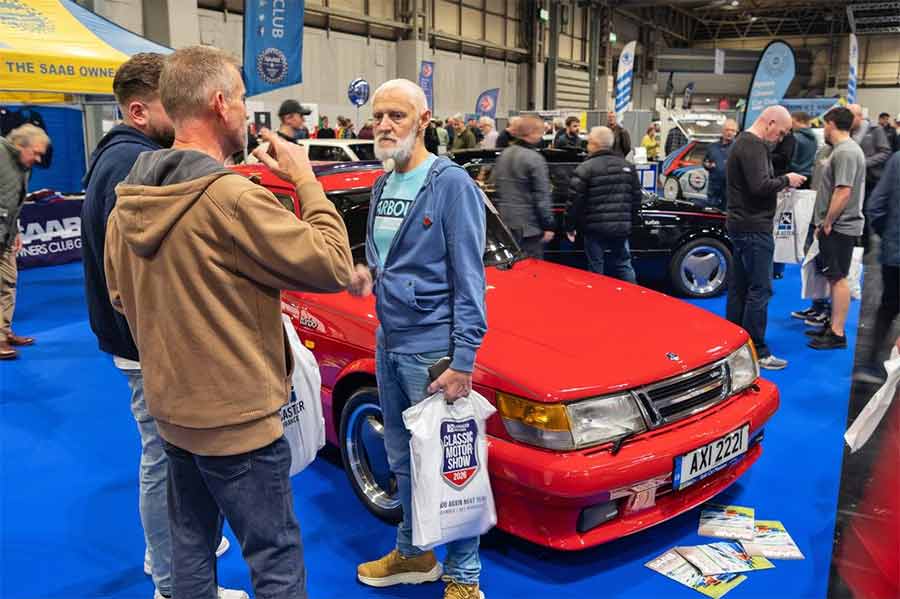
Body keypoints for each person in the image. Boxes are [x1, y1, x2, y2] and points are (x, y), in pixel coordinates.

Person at [104, 45, 353, 599]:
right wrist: (305, 179)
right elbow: (334, 262)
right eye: (241, 100)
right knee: (276, 556)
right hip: (238, 420)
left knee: (191, 545)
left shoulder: (132, 197)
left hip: (173, 412)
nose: (245, 112)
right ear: (220, 104)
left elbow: (121, 297)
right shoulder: (233, 199)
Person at [80, 52, 242, 599]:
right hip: (147, 345)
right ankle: (174, 580)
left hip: (135, 341)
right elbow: (137, 275)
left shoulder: (122, 158)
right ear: (140, 110)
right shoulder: (132, 167)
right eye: (171, 102)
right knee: (166, 463)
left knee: (166, 459)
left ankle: (172, 563)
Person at [348, 78, 488, 599]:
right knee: (402, 457)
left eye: (397, 116)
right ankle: (414, 552)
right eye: (378, 116)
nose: (384, 126)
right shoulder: (384, 182)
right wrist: (368, 275)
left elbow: (469, 277)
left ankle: (464, 578)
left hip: (435, 352)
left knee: (453, 465)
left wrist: (465, 357)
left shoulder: (450, 184)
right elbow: (384, 256)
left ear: (423, 121)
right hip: (389, 341)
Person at [725, 105, 806, 370]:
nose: (780, 138)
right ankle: (757, 350)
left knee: (740, 287)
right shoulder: (754, 145)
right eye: (780, 132)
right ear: (770, 123)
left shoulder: (742, 143)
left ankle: (735, 344)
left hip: (740, 224)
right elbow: (760, 186)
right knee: (760, 289)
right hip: (753, 227)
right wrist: (786, 180)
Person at [806, 107, 867, 350]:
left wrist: (827, 222)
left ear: (831, 124)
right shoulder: (842, 150)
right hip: (836, 225)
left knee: (838, 277)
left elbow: (843, 191)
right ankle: (833, 325)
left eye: (825, 124)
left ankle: (837, 332)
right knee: (833, 277)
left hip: (840, 226)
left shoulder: (847, 152)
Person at [565, 126, 641, 282]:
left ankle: (597, 301)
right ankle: (632, 298)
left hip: (594, 230)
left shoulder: (585, 168)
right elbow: (636, 199)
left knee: (595, 266)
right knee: (624, 264)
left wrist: (570, 227)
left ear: (593, 144)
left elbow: (574, 201)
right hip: (620, 228)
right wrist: (629, 222)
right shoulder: (627, 166)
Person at [0, 124, 48, 360]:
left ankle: (3, 332)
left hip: (7, 235)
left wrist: (15, 230)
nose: (38, 159)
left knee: (8, 282)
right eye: (36, 153)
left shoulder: (23, 165)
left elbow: (13, 200)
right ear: (20, 145)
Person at [854, 150, 900, 382]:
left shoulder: (897, 159)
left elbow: (876, 205)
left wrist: (888, 235)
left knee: (888, 307)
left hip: (895, 252)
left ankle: (871, 365)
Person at [492, 115, 555, 258]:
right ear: (532, 132)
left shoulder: (504, 154)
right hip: (529, 226)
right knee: (533, 270)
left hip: (505, 223)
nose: (541, 135)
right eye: (540, 131)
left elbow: (496, 185)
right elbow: (542, 196)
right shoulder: (535, 159)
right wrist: (549, 225)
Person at [702, 119, 738, 209]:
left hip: (730, 191)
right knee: (711, 216)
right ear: (722, 131)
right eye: (727, 129)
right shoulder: (712, 147)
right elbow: (705, 161)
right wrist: (707, 165)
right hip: (713, 189)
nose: (729, 132)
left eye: (732, 130)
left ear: (736, 133)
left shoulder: (739, 148)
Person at [788, 112, 817, 185]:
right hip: (809, 176)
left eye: (793, 122)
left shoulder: (795, 137)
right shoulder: (814, 138)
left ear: (801, 122)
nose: (791, 125)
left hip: (796, 177)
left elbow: (791, 159)